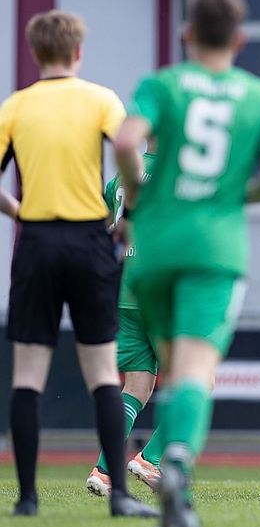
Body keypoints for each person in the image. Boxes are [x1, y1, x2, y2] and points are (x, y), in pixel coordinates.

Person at [114, 0, 260, 527]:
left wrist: (136, 199)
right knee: (195, 370)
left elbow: (126, 141)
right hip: (214, 248)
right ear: (240, 40)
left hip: (155, 244)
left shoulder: (162, 83)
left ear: (186, 34)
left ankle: (168, 483)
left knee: (166, 366)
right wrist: (232, 195)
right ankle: (173, 462)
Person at [0, 9, 157, 518]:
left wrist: (20, 212)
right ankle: (119, 496)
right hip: (90, 241)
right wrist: (128, 213)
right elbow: (131, 155)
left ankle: (26, 499)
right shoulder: (99, 100)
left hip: (38, 241)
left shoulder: (16, 106)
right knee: (102, 375)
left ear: (34, 52)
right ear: (78, 52)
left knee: (27, 375)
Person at [87, 147, 166, 496]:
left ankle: (103, 471)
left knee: (136, 387)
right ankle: (151, 459)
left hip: (125, 293)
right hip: (161, 291)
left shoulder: (118, 177)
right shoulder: (176, 170)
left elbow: (105, 231)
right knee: (200, 379)